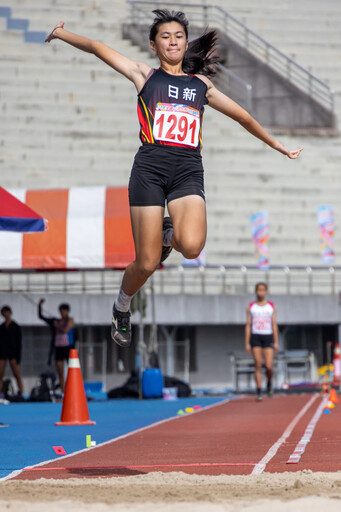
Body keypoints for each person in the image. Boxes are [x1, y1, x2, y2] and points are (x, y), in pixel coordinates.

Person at [45, 10, 303, 348]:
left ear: (185, 43)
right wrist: (61, 34)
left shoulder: (201, 86)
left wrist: (276, 144)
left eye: (178, 36)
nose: (173, 41)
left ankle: (170, 232)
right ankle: (122, 306)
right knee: (148, 262)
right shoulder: (144, 76)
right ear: (154, 45)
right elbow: (97, 47)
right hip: (150, 169)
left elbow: (242, 115)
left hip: (187, 170)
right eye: (165, 37)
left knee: (193, 247)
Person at [245, 282, 279, 401]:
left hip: (268, 335)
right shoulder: (251, 306)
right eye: (259, 290)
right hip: (256, 336)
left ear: (266, 292)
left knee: (268, 366)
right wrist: (247, 342)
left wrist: (276, 341)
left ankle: (269, 382)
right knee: (258, 364)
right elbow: (248, 325)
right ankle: (259, 390)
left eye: (263, 290)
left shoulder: (271, 306)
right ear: (256, 291)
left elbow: (274, 324)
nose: (261, 293)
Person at [38, 299, 74, 393]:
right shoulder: (55, 320)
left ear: (67, 312)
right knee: (60, 372)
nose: (62, 313)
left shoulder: (70, 320)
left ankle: (71, 389)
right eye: (61, 311)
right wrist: (39, 306)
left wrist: (57, 326)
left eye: (64, 311)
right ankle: (63, 390)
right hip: (58, 349)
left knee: (71, 371)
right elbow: (41, 317)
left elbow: (65, 330)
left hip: (68, 348)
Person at [0, 305, 24, 396]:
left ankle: (21, 391)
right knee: (0, 374)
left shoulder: (16, 327)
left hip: (13, 353)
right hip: (2, 353)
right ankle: (1, 393)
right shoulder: (1, 327)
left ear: (10, 313)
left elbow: (19, 343)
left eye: (7, 312)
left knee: (17, 374)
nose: (6, 314)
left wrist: (18, 357)